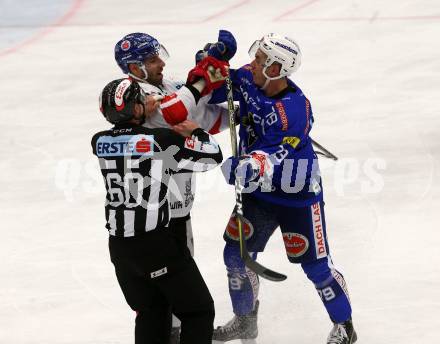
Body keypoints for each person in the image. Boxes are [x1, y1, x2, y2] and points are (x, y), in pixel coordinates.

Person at [204, 33, 358, 343]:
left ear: (276, 69)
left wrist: (247, 166)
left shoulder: (294, 109)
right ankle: (246, 321)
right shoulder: (249, 77)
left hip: (296, 194)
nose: (252, 63)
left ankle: (345, 326)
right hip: (259, 195)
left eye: (260, 59)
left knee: (316, 267)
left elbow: (272, 156)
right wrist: (211, 61)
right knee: (234, 256)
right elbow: (216, 88)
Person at [114, 31, 237, 343]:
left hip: (178, 207)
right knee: (176, 298)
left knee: (176, 295)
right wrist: (200, 80)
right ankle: (173, 333)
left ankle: (174, 332)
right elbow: (175, 112)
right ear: (135, 67)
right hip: (158, 216)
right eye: (152, 59)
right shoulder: (136, 98)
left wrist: (242, 112)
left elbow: (203, 117)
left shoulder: (166, 87)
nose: (160, 63)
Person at [92, 70, 226, 343]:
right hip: (155, 245)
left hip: (120, 249)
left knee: (151, 312)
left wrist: (138, 108)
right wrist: (196, 131)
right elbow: (213, 157)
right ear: (136, 107)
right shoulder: (161, 141)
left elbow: (126, 134)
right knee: (198, 311)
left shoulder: (99, 141)